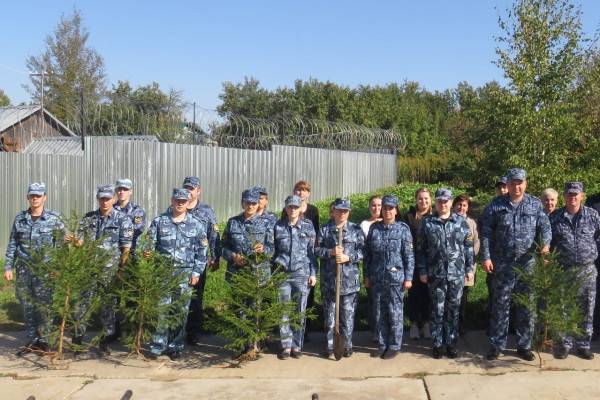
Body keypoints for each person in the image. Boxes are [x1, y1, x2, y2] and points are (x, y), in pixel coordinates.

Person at [481, 168, 551, 361]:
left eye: (520, 183)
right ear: (508, 184)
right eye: (512, 183)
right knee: (500, 304)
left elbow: (545, 227)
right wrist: (486, 257)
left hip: (527, 264)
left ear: (525, 184)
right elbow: (486, 233)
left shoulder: (535, 204)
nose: (516, 186)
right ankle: (497, 344)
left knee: (526, 305)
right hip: (502, 264)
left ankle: (524, 345)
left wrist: (545, 245)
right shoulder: (496, 205)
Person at [145, 188, 208, 360]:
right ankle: (158, 345)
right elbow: (149, 245)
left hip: (184, 274)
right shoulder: (159, 222)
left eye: (184, 201)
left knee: (181, 312)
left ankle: (176, 346)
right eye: (177, 200)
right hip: (163, 274)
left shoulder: (196, 225)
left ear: (188, 203)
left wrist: (196, 272)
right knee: (161, 310)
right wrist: (147, 254)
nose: (180, 203)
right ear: (172, 201)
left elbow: (202, 251)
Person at [4, 182, 65, 354]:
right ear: (28, 198)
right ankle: (32, 339)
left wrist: (58, 268)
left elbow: (61, 246)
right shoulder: (20, 218)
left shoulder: (54, 219)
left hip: (46, 271)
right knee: (27, 305)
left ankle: (45, 340)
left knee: (45, 306)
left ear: (44, 197)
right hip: (24, 269)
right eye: (32, 196)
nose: (35, 198)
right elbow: (12, 244)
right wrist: (8, 266)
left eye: (38, 195)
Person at [74, 184, 134, 355]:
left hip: (110, 271)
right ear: (98, 199)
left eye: (108, 198)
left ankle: (104, 342)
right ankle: (78, 340)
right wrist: (73, 241)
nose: (105, 202)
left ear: (114, 199)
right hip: (89, 270)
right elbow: (80, 243)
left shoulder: (123, 220)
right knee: (83, 305)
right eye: (102, 198)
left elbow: (126, 248)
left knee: (108, 307)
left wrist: (121, 270)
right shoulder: (88, 218)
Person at [417, 189, 474, 358]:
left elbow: (468, 247)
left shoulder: (461, 222)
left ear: (450, 202)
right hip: (436, 275)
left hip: (456, 274)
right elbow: (420, 250)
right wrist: (422, 270)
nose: (443, 204)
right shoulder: (427, 223)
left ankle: (451, 344)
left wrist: (469, 269)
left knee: (453, 311)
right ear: (436, 202)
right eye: (440, 201)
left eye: (446, 201)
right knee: (437, 310)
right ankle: (437, 343)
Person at [550, 182, 600, 360]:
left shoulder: (593, 215)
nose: (572, 197)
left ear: (582, 196)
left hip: (587, 270)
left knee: (586, 307)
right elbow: (548, 242)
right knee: (563, 307)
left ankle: (583, 344)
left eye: (576, 194)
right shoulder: (555, 217)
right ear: (564, 196)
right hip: (563, 270)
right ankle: (564, 344)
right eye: (569, 194)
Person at [364, 195, 413, 359]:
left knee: (395, 313)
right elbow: (368, 255)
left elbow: (408, 256)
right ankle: (382, 343)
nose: (387, 211)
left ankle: (394, 345)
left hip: (396, 279)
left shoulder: (403, 229)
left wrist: (408, 278)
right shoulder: (374, 229)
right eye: (385, 208)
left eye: (391, 208)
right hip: (377, 277)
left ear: (396, 210)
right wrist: (367, 275)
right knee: (379, 313)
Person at [315, 198, 364, 358]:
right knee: (329, 318)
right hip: (330, 283)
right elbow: (315, 250)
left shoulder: (356, 230)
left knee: (348, 317)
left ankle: (347, 345)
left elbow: (364, 252)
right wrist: (330, 252)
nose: (342, 213)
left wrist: (347, 257)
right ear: (333, 211)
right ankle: (331, 346)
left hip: (349, 283)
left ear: (348, 212)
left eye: (345, 211)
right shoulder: (324, 230)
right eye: (339, 210)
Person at [273, 195, 317, 359]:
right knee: (283, 310)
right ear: (285, 208)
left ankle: (297, 346)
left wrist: (313, 273)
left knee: (299, 311)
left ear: (300, 209)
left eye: (295, 207)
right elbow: (273, 251)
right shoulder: (278, 226)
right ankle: (285, 346)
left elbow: (312, 252)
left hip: (301, 273)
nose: (292, 210)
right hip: (282, 274)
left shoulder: (308, 226)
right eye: (290, 207)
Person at [181, 176, 221, 345]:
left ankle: (194, 332)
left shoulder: (206, 210)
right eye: (187, 188)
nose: (189, 191)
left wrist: (215, 256)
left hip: (198, 261)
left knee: (196, 298)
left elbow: (214, 234)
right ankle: (176, 331)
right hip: (179, 261)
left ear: (198, 191)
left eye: (192, 189)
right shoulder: (177, 206)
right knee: (178, 297)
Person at [222, 188, 274, 282]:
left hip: (259, 276)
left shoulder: (267, 222)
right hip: (236, 275)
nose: (250, 206)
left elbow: (273, 248)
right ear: (242, 203)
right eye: (247, 203)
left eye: (253, 203)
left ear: (258, 204)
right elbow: (223, 246)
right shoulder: (233, 222)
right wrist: (233, 256)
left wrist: (263, 249)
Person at [404, 188, 433, 340]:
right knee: (414, 294)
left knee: (428, 294)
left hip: (431, 263)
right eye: (420, 199)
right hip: (413, 262)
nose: (423, 201)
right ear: (416, 200)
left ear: (431, 200)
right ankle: (414, 324)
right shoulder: (408, 217)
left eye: (426, 199)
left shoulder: (435, 216)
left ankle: (427, 323)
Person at [453, 194, 480, 332]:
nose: (461, 207)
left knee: (463, 297)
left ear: (468, 207)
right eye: (459, 204)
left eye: (464, 205)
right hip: (451, 267)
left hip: (466, 266)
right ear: (454, 205)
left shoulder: (472, 223)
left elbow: (476, 243)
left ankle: (461, 325)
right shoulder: (449, 220)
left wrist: (469, 261)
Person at [361, 195, 383, 342]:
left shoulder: (391, 222)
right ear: (369, 207)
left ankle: (388, 332)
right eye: (373, 205)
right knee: (374, 302)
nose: (377, 208)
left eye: (379, 205)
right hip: (371, 267)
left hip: (389, 271)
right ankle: (376, 331)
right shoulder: (364, 225)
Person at [113, 178, 146, 250]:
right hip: (112, 252)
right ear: (116, 191)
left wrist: (115, 233)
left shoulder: (138, 212)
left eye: (125, 189)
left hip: (131, 250)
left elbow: (137, 229)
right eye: (119, 189)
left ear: (130, 192)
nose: (122, 192)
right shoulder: (110, 210)